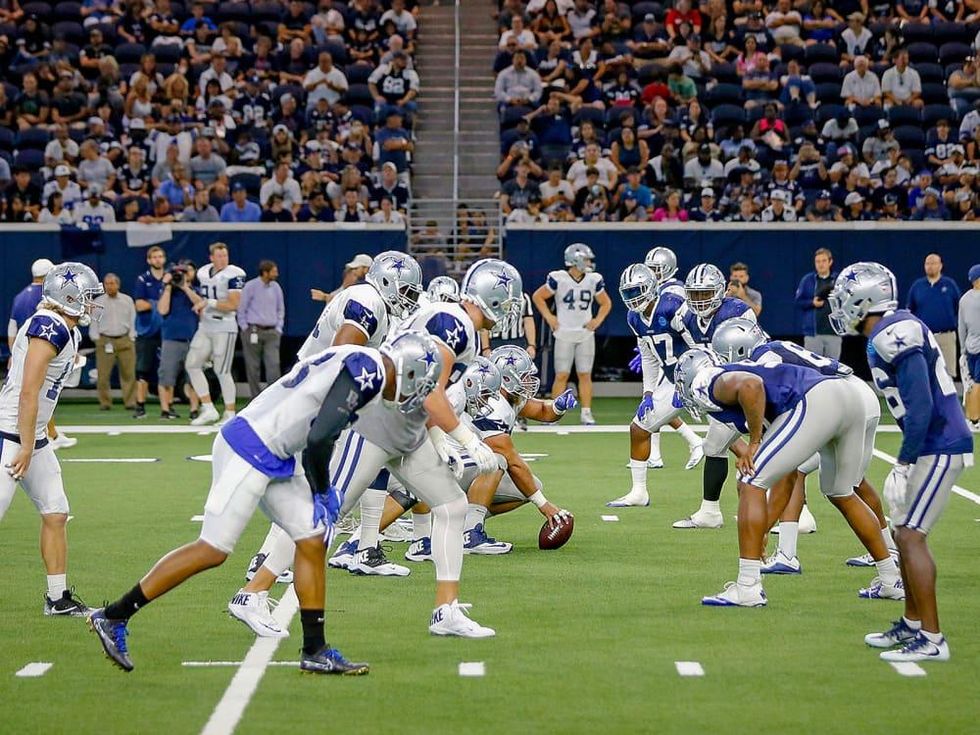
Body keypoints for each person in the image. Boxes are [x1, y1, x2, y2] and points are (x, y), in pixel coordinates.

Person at [89, 334, 442, 673]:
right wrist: (322, 489)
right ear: (409, 370)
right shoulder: (371, 372)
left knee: (312, 536)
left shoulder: (363, 360)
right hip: (249, 446)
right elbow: (321, 436)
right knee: (214, 548)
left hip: (277, 452)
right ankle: (115, 615)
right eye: (421, 383)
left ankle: (315, 649)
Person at [230, 252, 425, 634]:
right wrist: (341, 414)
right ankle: (257, 587)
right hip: (316, 400)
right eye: (403, 289)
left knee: (310, 496)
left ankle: (262, 572)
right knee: (318, 501)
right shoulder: (367, 302)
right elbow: (343, 358)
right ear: (385, 282)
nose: (407, 297)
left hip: (316, 397)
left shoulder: (370, 300)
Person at [674, 346, 895, 609]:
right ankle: (891, 578)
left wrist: (754, 442)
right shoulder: (759, 392)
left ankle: (747, 587)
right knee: (841, 491)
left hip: (818, 398)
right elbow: (786, 477)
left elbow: (750, 385)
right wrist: (764, 529)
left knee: (750, 481)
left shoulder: (707, 380)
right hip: (848, 396)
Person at [829, 263, 973, 662]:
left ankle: (932, 639)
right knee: (902, 531)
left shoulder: (895, 332)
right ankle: (912, 625)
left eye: (846, 296)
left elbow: (922, 404)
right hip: (931, 443)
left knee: (910, 537)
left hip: (940, 444)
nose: (841, 304)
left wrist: (904, 462)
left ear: (865, 300)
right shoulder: (886, 332)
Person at [0, 263, 102, 616]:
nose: (91, 305)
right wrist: (26, 446)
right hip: (11, 434)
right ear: (68, 297)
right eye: (87, 298)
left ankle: (57, 599)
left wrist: (35, 439)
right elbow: (28, 392)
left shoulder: (67, 330)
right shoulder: (50, 327)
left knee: (56, 512)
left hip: (33, 433)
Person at [607, 264, 706, 508]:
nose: (633, 298)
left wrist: (692, 382)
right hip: (673, 380)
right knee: (639, 428)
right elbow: (649, 357)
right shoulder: (633, 317)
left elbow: (698, 345)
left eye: (636, 291)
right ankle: (639, 492)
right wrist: (648, 393)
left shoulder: (672, 305)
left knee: (728, 433)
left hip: (700, 376)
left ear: (651, 287)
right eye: (628, 293)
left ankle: (759, 474)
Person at [672, 263, 759, 530]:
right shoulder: (686, 318)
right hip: (724, 392)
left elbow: (750, 354)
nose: (699, 301)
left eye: (705, 294)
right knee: (714, 447)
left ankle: (799, 514)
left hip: (753, 389)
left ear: (721, 292)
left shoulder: (737, 312)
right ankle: (710, 512)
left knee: (776, 451)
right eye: (694, 295)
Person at [532, 243, 612, 426]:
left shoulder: (593, 279)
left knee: (585, 374)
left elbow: (606, 303)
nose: (589, 262)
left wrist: (597, 321)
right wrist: (549, 317)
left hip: (585, 334)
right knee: (561, 375)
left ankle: (586, 413)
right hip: (564, 333)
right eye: (585, 259)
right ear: (575, 260)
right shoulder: (558, 278)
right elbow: (538, 296)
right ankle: (552, 414)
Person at [186, 242, 246, 426]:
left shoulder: (235, 274)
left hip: (224, 326)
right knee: (192, 364)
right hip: (205, 325)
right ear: (211, 257)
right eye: (219, 256)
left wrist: (209, 303)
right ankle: (209, 408)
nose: (222, 259)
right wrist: (185, 287)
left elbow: (233, 304)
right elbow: (201, 301)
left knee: (222, 370)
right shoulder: (203, 272)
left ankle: (229, 413)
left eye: (225, 256)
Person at [156, 260, 202, 420]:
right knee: (166, 376)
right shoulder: (167, 291)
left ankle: (194, 409)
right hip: (171, 338)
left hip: (192, 339)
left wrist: (184, 287)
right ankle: (165, 409)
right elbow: (162, 310)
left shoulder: (195, 290)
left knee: (193, 377)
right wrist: (168, 286)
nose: (181, 275)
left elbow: (200, 304)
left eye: (186, 272)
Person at [907, 254, 960, 378]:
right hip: (923, 337)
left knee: (947, 374)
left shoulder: (949, 285)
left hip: (946, 336)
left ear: (940, 266)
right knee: (925, 373)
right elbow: (910, 310)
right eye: (927, 264)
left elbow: (959, 307)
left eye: (933, 263)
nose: (930, 266)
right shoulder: (917, 286)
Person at [89, 274, 137, 411]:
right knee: (103, 375)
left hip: (125, 339)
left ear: (118, 285)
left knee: (129, 374)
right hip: (105, 341)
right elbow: (93, 321)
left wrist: (132, 336)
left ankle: (130, 402)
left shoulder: (127, 300)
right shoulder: (98, 302)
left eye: (112, 283)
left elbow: (133, 318)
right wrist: (96, 338)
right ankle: (105, 402)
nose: (109, 286)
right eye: (107, 284)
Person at [238, 261, 284, 398]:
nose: (277, 274)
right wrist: (244, 327)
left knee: (273, 366)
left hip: (272, 332)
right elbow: (242, 309)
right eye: (274, 271)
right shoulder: (251, 286)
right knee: (253, 367)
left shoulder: (276, 287)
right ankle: (256, 399)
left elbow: (280, 308)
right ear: (265, 272)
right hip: (253, 331)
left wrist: (279, 328)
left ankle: (273, 399)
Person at [132, 248, 166, 419]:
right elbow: (139, 305)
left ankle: (167, 408)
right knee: (143, 371)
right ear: (149, 260)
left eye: (160, 257)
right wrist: (159, 304)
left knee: (167, 371)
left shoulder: (168, 279)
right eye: (155, 257)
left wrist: (151, 303)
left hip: (166, 331)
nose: (158, 260)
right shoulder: (143, 279)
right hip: (147, 331)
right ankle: (140, 406)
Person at [795, 247, 841, 358]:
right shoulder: (808, 280)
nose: (821, 264)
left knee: (834, 370)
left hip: (834, 333)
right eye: (818, 261)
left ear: (830, 262)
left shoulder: (838, 280)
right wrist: (812, 303)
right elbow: (798, 302)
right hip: (813, 335)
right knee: (813, 370)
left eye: (824, 261)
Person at [960, 264, 980, 431]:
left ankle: (970, 418)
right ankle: (975, 418)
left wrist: (962, 350)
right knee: (979, 383)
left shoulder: (964, 299)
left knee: (970, 383)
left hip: (969, 347)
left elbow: (961, 327)